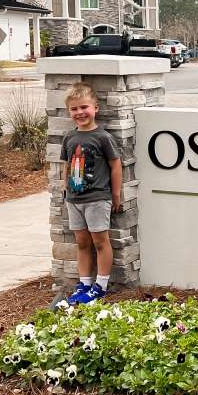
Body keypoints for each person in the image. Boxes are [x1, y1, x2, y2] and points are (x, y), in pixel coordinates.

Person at [60, 83, 122, 305]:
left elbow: (115, 165)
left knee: (100, 242)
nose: (79, 113)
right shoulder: (69, 138)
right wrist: (65, 187)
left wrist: (116, 195)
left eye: (84, 107)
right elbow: (66, 165)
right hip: (74, 200)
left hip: (97, 198)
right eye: (74, 109)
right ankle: (84, 284)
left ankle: (101, 286)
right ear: (69, 112)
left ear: (95, 108)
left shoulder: (102, 137)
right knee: (82, 242)